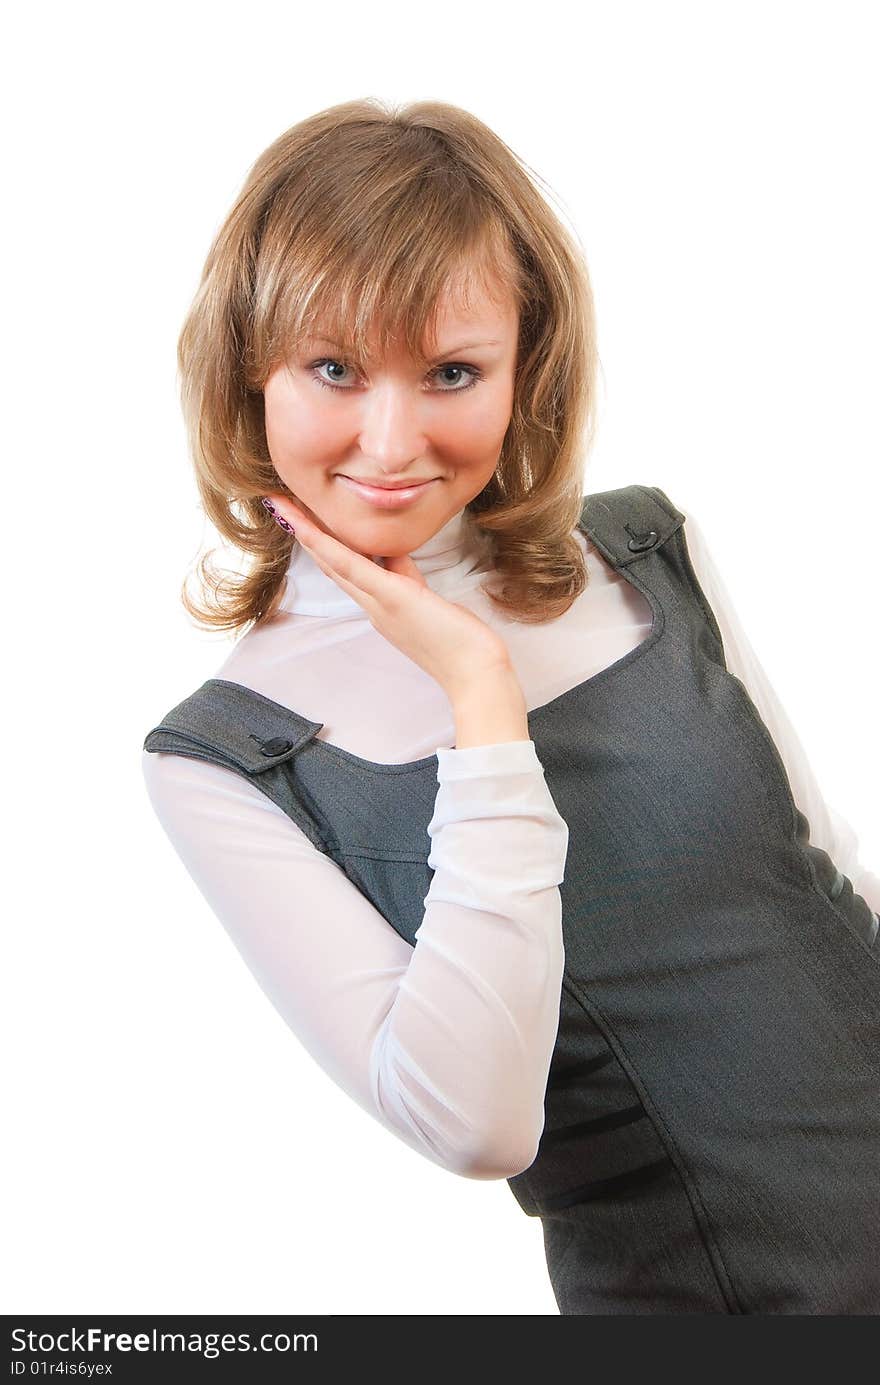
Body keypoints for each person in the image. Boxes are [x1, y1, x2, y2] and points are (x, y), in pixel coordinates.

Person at [141, 97, 880, 1314]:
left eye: (451, 371)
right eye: (334, 367)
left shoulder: (644, 552)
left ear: (523, 369)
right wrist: (480, 696)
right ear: (247, 372)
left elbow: (826, 894)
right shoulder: (231, 756)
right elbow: (474, 1121)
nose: (392, 438)